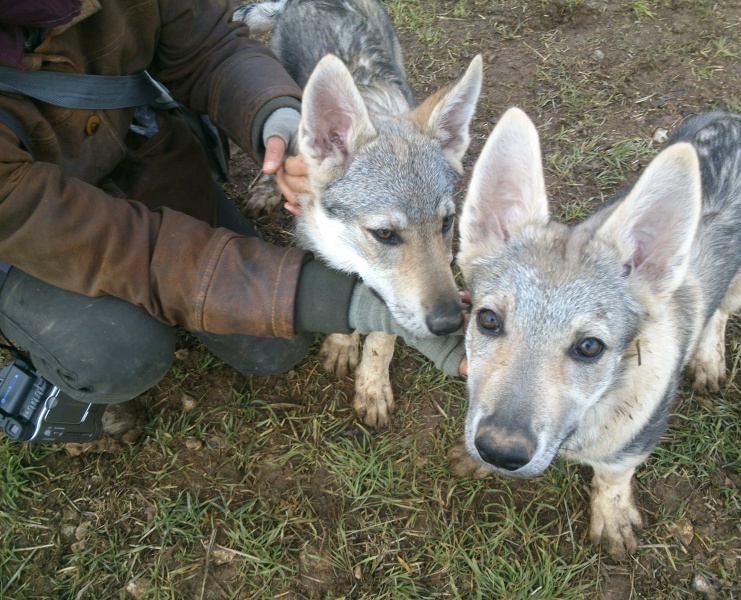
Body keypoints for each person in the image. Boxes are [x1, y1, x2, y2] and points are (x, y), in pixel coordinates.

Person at [0, 0, 465, 443]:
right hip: (30, 233)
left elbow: (210, 44)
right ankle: (55, 366)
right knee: (118, 351)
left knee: (273, 348)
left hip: (137, 151)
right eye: (385, 232)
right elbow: (122, 249)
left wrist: (276, 121)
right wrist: (345, 305)